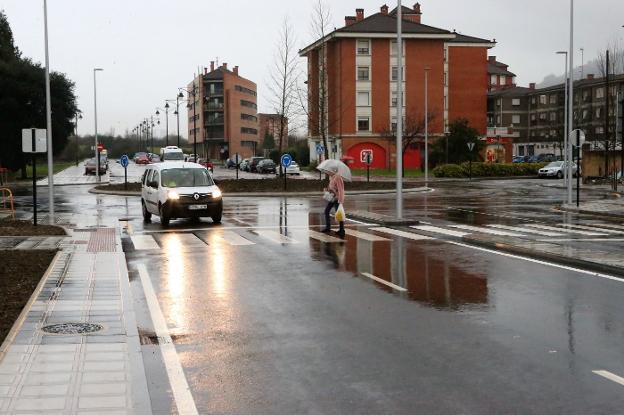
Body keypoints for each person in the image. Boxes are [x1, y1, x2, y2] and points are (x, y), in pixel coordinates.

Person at [322, 171, 345, 237]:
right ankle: (328, 228)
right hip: (332, 197)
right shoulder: (332, 177)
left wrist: (340, 200)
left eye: (328, 171)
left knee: (339, 213)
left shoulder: (338, 177)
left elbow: (340, 189)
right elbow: (332, 187)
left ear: (332, 170)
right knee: (326, 211)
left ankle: (342, 230)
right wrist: (328, 189)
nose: (327, 172)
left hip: (337, 198)